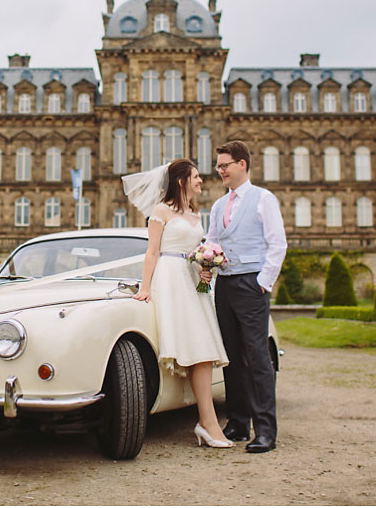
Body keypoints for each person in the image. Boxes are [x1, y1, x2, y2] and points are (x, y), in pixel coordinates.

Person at [122, 158, 232, 448]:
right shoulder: (161, 211)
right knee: (196, 348)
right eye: (195, 177)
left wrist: (203, 267)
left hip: (192, 282)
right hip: (170, 279)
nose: (200, 181)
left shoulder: (195, 214)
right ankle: (208, 424)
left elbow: (194, 251)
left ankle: (207, 423)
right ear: (181, 181)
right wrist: (144, 289)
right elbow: (152, 253)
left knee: (203, 349)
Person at [204, 140, 286, 453]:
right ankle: (238, 423)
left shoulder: (264, 199)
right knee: (232, 356)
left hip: (252, 284)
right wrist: (207, 266)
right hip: (224, 285)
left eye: (224, 165)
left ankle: (265, 429)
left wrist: (263, 283)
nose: (219, 170)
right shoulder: (217, 206)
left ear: (242, 164)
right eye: (218, 165)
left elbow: (277, 244)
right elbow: (212, 242)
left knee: (257, 357)